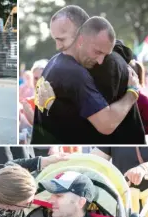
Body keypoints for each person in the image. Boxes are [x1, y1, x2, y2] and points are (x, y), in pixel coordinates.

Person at [32, 14, 142, 144]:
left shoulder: (57, 62)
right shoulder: (73, 71)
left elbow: (105, 123)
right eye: (98, 52)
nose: (100, 61)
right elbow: (102, 122)